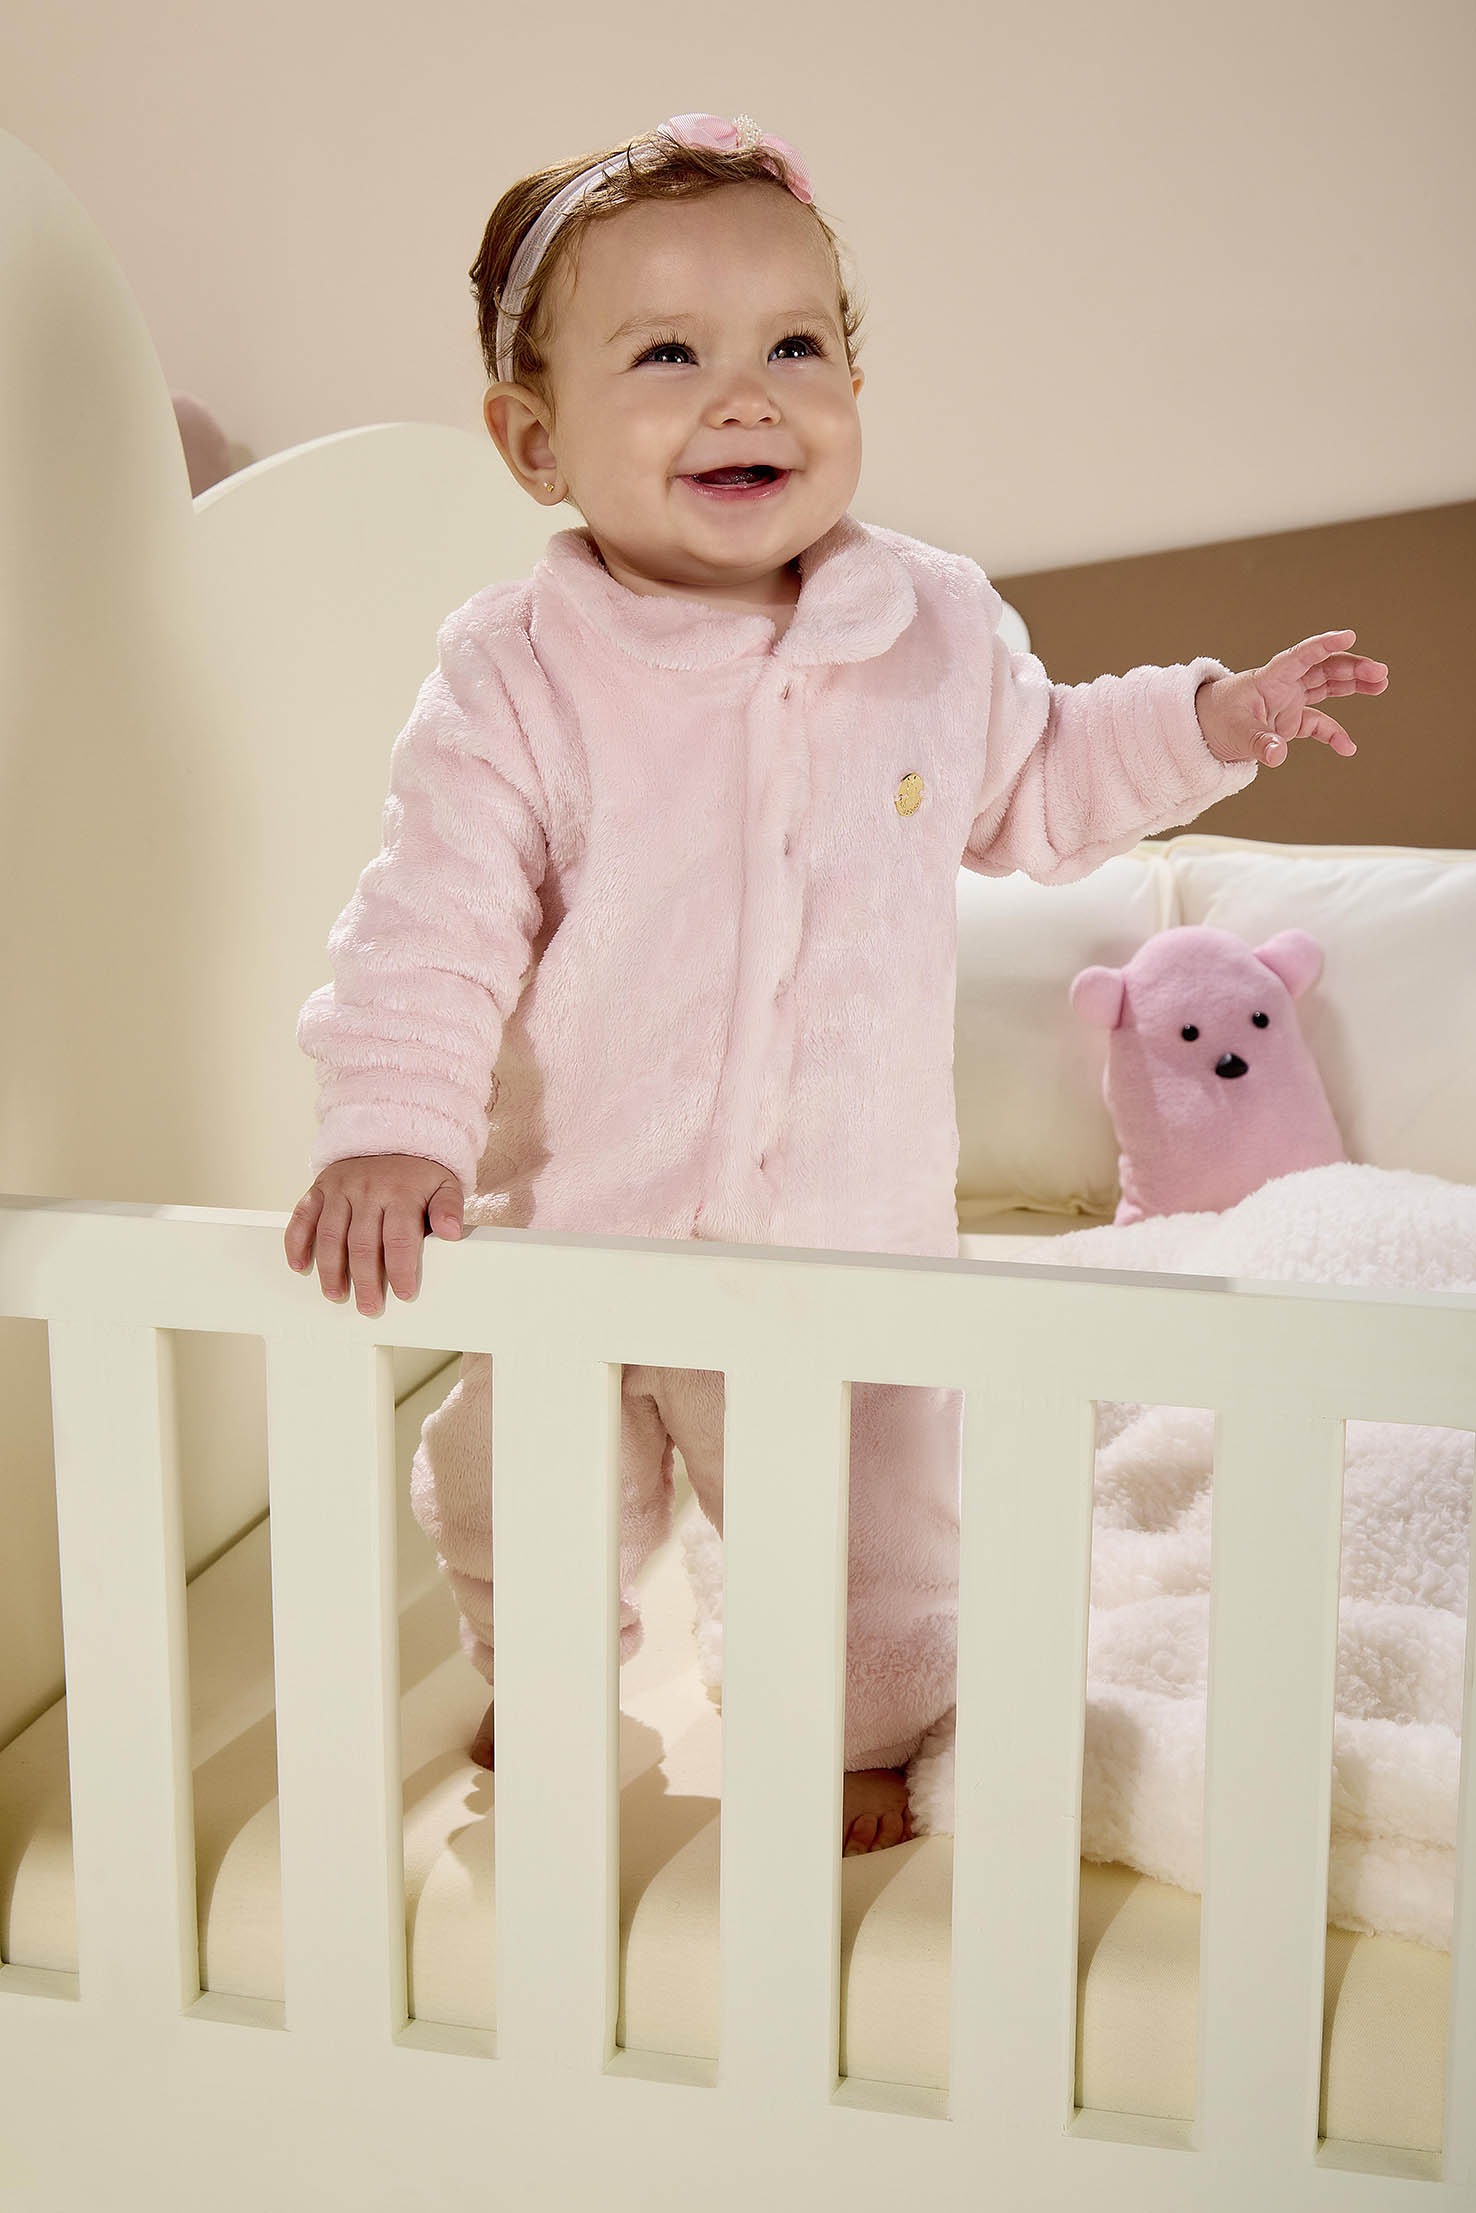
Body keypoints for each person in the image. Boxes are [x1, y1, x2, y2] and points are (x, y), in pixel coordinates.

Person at [283, 111, 1388, 1856]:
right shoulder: (517, 674)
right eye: (669, 355)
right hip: (578, 1222)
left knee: (876, 1531)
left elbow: (1046, 777)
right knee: (525, 1489)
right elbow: (434, 917)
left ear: (855, 384)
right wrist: (391, 1126)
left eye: (796, 347)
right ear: (534, 439)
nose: (748, 398)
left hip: (842, 1229)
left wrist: (1211, 719)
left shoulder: (930, 628)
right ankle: (545, 1669)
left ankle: (858, 1721)